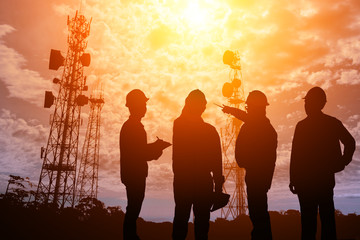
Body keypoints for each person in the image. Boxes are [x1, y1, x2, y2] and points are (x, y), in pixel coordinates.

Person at [289, 86, 356, 240]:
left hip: (312, 182)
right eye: (306, 103)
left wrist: (343, 161)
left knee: (313, 224)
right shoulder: (326, 123)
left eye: (308, 102)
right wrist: (342, 161)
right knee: (322, 223)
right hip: (314, 182)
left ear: (319, 104)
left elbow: (350, 143)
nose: (306, 106)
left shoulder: (307, 126)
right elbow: (296, 154)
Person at [222, 90, 277, 240]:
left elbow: (247, 118)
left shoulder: (259, 127)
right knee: (258, 214)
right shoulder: (264, 126)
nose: (248, 110)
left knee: (258, 215)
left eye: (250, 107)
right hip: (259, 178)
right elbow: (246, 117)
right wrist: (231, 110)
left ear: (253, 107)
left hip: (256, 178)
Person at [172, 89, 225, 240]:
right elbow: (217, 163)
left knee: (181, 222)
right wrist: (218, 188)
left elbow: (216, 162)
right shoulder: (210, 131)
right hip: (202, 183)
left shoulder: (179, 125)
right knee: (201, 226)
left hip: (183, 182)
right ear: (203, 107)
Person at [120, 89, 171, 240]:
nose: (145, 108)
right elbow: (140, 153)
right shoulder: (133, 127)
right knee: (133, 208)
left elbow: (138, 150)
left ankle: (130, 235)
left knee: (133, 207)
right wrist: (157, 149)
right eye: (143, 104)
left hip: (132, 173)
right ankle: (130, 236)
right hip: (135, 174)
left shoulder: (131, 126)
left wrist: (155, 147)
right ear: (136, 106)